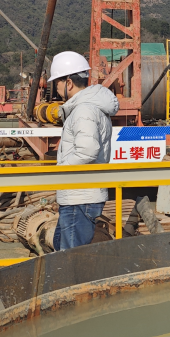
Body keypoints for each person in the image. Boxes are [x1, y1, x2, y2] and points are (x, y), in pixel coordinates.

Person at [48, 51, 119, 250]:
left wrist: (60, 168)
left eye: (58, 83)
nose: (57, 88)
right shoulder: (87, 107)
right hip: (79, 195)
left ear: (68, 83)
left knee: (71, 258)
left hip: (80, 197)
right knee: (64, 250)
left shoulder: (83, 110)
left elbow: (88, 150)